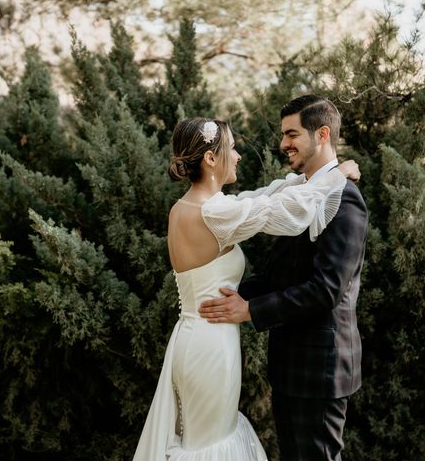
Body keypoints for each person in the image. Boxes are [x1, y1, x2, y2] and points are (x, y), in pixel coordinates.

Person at [132, 116, 359, 460]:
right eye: (232, 148)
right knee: (210, 446)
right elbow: (279, 209)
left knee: (202, 439)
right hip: (211, 347)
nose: (237, 156)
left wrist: (308, 179)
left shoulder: (188, 208)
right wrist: (334, 178)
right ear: (211, 159)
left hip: (192, 337)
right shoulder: (214, 213)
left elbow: (262, 197)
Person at [198, 95, 369, 461]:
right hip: (291, 364)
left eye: (292, 134)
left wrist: (250, 310)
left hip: (320, 368)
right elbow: (282, 274)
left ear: (322, 134)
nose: (283, 144)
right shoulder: (300, 196)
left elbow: (327, 290)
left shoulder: (345, 199)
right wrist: (226, 294)